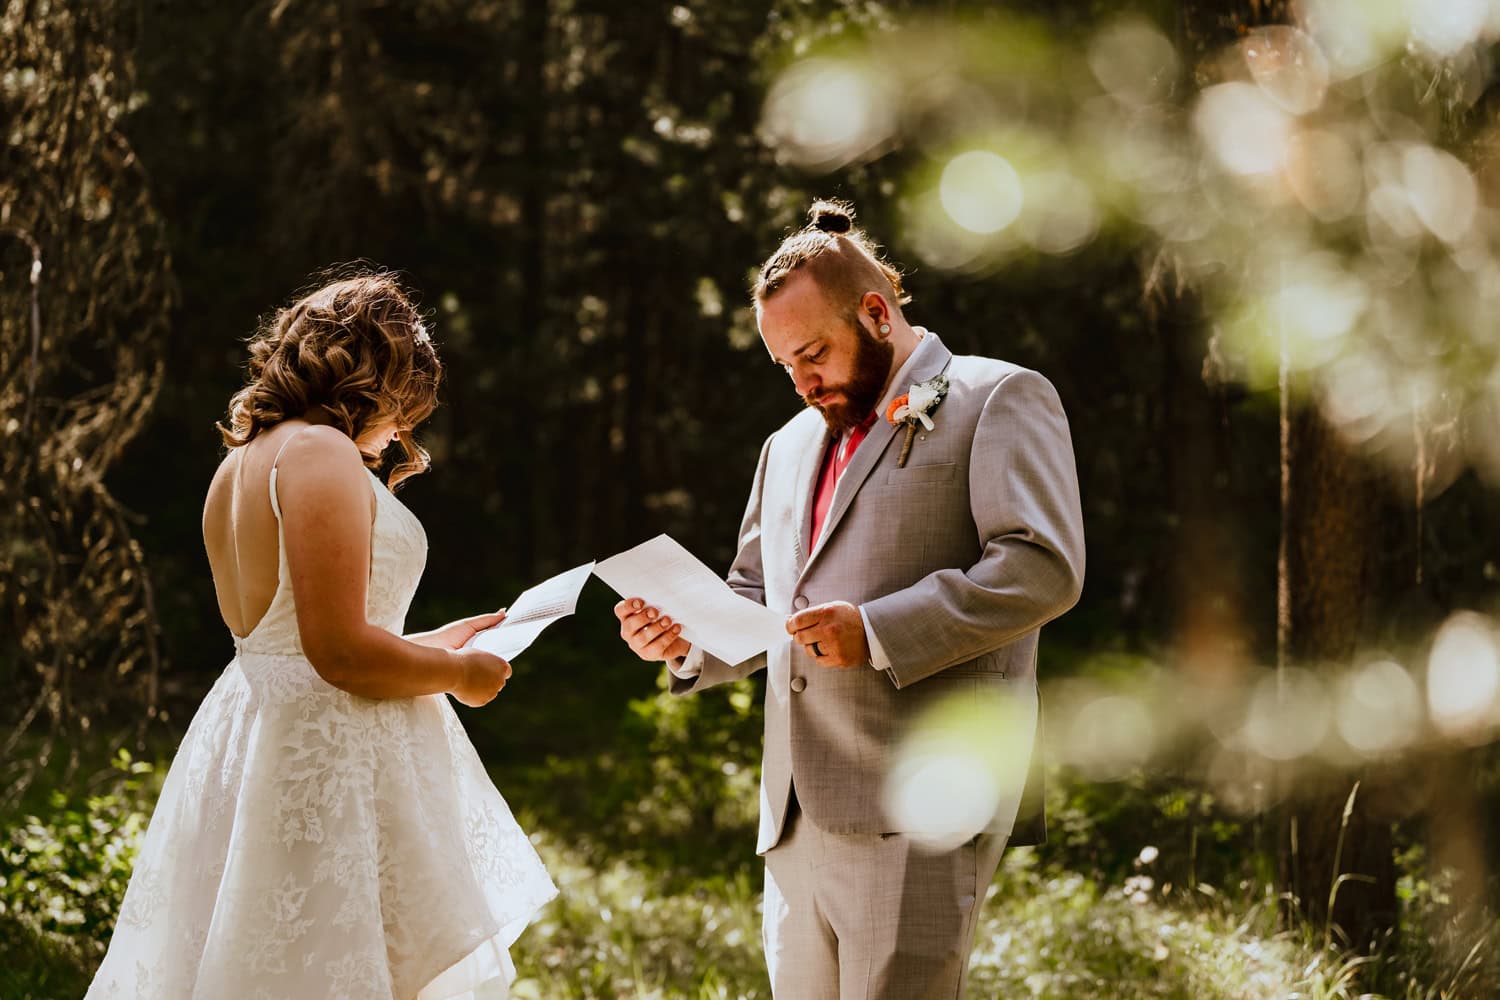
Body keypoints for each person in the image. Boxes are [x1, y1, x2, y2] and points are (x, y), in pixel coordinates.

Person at [615, 200, 1085, 999]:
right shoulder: (787, 444)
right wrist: (685, 641)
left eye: (813, 354)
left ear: (876, 312)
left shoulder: (996, 396)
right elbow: (758, 595)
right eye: (783, 367)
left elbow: (1042, 568)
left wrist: (875, 632)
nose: (801, 384)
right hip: (794, 811)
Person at [86, 272, 555, 1000]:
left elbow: (289, 644)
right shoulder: (321, 453)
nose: (402, 432)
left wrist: (441, 643)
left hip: (259, 734)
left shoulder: (238, 464)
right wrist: (462, 678)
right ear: (381, 374)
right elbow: (336, 654)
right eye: (407, 406)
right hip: (326, 758)